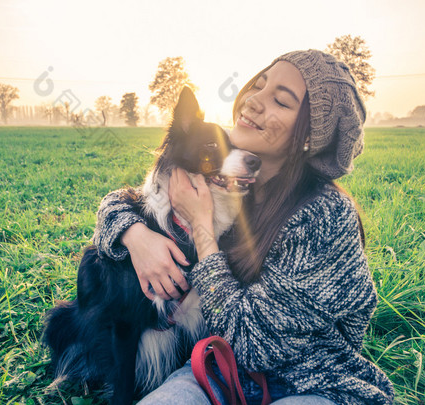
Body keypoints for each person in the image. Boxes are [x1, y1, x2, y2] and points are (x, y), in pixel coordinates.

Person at [91, 49, 394, 405]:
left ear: (311, 135)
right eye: (259, 85)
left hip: (314, 383)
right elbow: (119, 200)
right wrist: (135, 235)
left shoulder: (326, 217)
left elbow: (253, 345)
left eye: (280, 101)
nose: (253, 101)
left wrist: (202, 230)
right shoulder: (234, 186)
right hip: (216, 370)